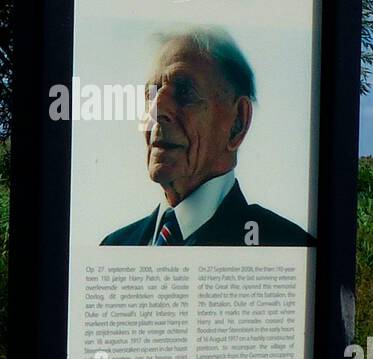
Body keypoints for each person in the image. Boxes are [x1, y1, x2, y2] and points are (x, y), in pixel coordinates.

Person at [100, 28, 313, 247]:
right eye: (150, 95)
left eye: (184, 92)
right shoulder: (113, 246)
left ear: (237, 123)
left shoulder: (287, 245)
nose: (157, 110)